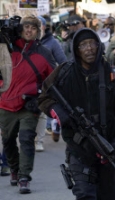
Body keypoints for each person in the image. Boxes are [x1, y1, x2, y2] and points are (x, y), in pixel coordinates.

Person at [38, 28, 115, 199]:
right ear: (76, 50)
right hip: (78, 150)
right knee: (85, 195)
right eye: (83, 45)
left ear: (99, 45)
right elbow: (44, 98)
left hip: (108, 149)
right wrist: (57, 111)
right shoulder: (64, 73)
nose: (89, 48)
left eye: (92, 43)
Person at [0, 15, 55, 193]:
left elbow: (53, 80)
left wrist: (40, 96)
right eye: (26, 26)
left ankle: (24, 177)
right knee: (7, 141)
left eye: (33, 27)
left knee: (25, 139)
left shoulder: (44, 53)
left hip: (29, 105)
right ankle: (14, 169)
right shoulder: (8, 47)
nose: (29, 30)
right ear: (20, 28)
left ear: (38, 31)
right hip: (6, 103)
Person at [34, 16, 68, 152]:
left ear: (43, 27)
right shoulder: (25, 42)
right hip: (29, 81)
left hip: (46, 81)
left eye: (38, 25)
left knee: (41, 112)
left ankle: (39, 140)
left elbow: (62, 61)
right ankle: (31, 137)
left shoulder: (52, 42)